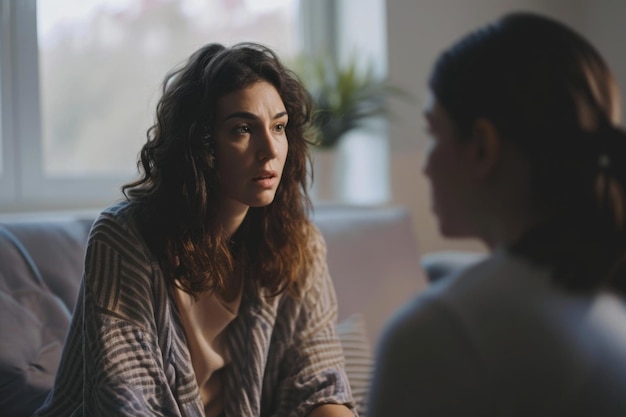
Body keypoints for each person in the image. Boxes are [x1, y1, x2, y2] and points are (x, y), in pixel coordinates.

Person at [33, 42, 356, 417]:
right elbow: (126, 403)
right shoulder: (123, 238)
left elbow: (319, 385)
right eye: (242, 129)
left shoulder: (299, 244)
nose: (270, 149)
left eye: (279, 127)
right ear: (200, 144)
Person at [368, 11, 626, 417]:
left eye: (434, 134)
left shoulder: (437, 334)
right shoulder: (604, 296)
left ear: (482, 147)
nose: (425, 165)